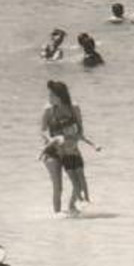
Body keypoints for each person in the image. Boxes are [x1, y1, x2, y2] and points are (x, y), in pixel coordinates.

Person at [40, 80, 89, 214]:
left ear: (60, 96)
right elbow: (43, 130)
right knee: (58, 187)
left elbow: (80, 128)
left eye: (51, 95)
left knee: (78, 183)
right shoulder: (48, 109)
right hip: (53, 152)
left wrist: (73, 141)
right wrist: (51, 140)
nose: (48, 98)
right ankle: (57, 215)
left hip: (70, 149)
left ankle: (71, 207)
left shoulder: (74, 108)